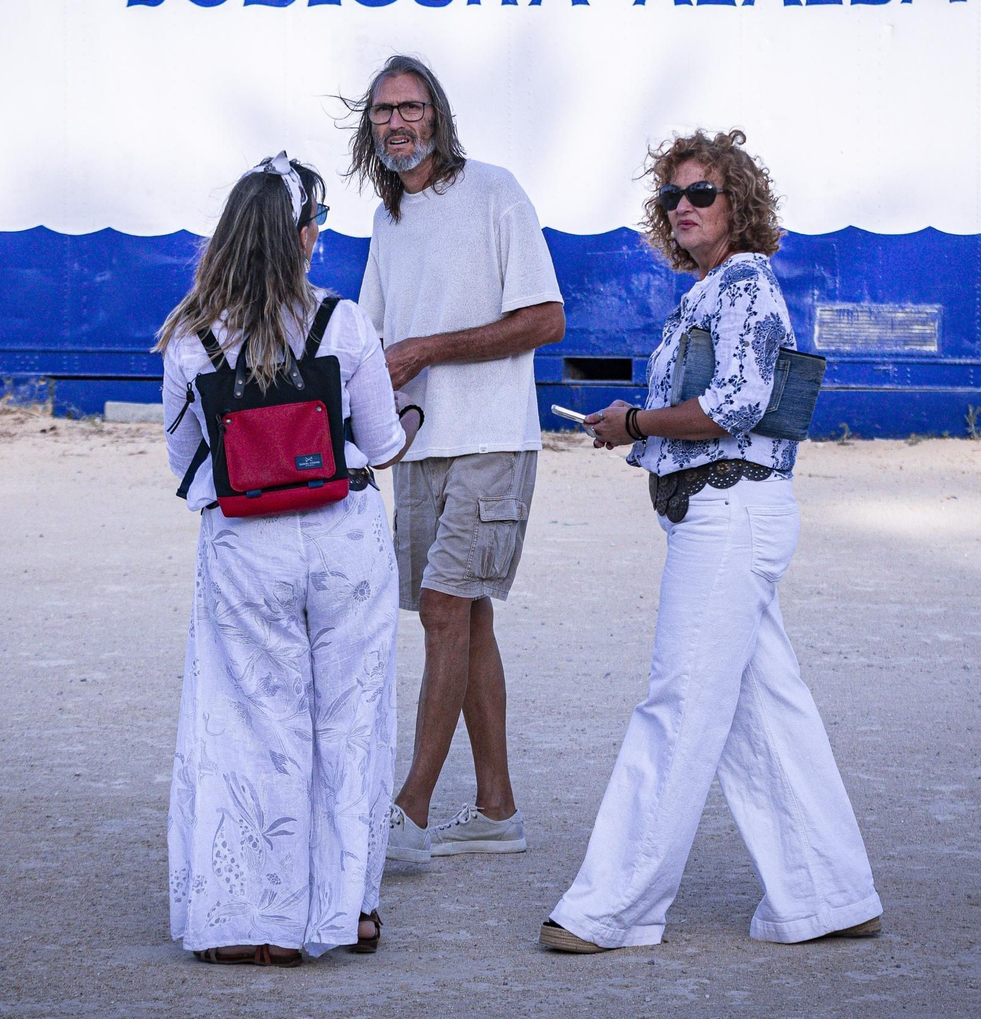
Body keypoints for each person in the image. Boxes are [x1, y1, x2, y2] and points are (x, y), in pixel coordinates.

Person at [541, 130, 883, 953]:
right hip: (727, 511)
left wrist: (634, 422)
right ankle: (828, 894)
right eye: (672, 197)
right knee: (763, 712)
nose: (684, 208)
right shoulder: (712, 291)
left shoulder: (742, 288)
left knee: (680, 703)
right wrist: (632, 428)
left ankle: (614, 908)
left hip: (730, 514)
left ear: (740, 205)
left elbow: (730, 406)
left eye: (703, 195)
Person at [158, 153, 421, 966]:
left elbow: (183, 465)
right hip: (342, 535)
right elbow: (381, 443)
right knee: (349, 722)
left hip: (245, 547)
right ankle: (349, 911)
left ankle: (247, 920)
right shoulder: (343, 323)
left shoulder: (190, 339)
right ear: (304, 239)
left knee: (247, 723)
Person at [346, 55, 566, 862]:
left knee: (443, 609)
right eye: (381, 113)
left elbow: (546, 320)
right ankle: (497, 807)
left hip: (490, 440)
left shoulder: (494, 192)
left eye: (410, 109)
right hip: (417, 447)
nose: (397, 124)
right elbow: (369, 345)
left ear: (437, 116)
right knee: (466, 615)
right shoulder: (387, 220)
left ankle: (408, 813)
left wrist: (429, 348)